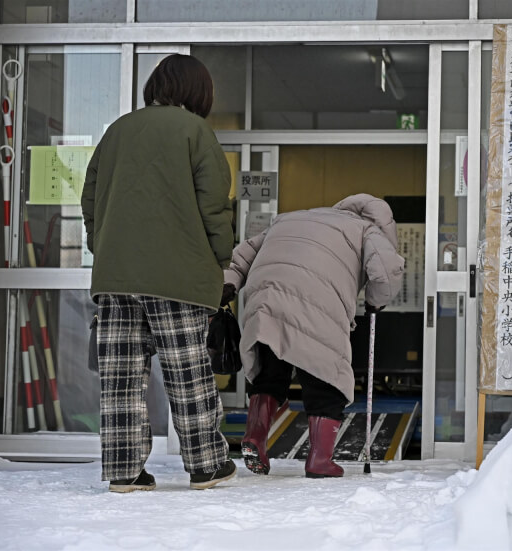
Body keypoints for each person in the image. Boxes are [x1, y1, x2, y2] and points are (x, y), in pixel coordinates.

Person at [81, 54, 237, 492]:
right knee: (186, 372)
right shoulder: (195, 132)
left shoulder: (117, 131)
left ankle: (124, 472)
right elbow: (214, 207)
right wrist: (219, 258)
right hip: (179, 275)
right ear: (197, 92)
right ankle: (206, 464)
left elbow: (89, 199)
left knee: (122, 378)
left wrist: (104, 247)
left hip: (116, 277)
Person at [223, 194, 405, 478]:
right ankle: (320, 460)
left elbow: (241, 256)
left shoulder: (288, 218)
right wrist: (375, 302)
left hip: (265, 294)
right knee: (324, 375)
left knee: (271, 371)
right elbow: (386, 269)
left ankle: (255, 436)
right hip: (318, 301)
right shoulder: (366, 229)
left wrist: (229, 284)